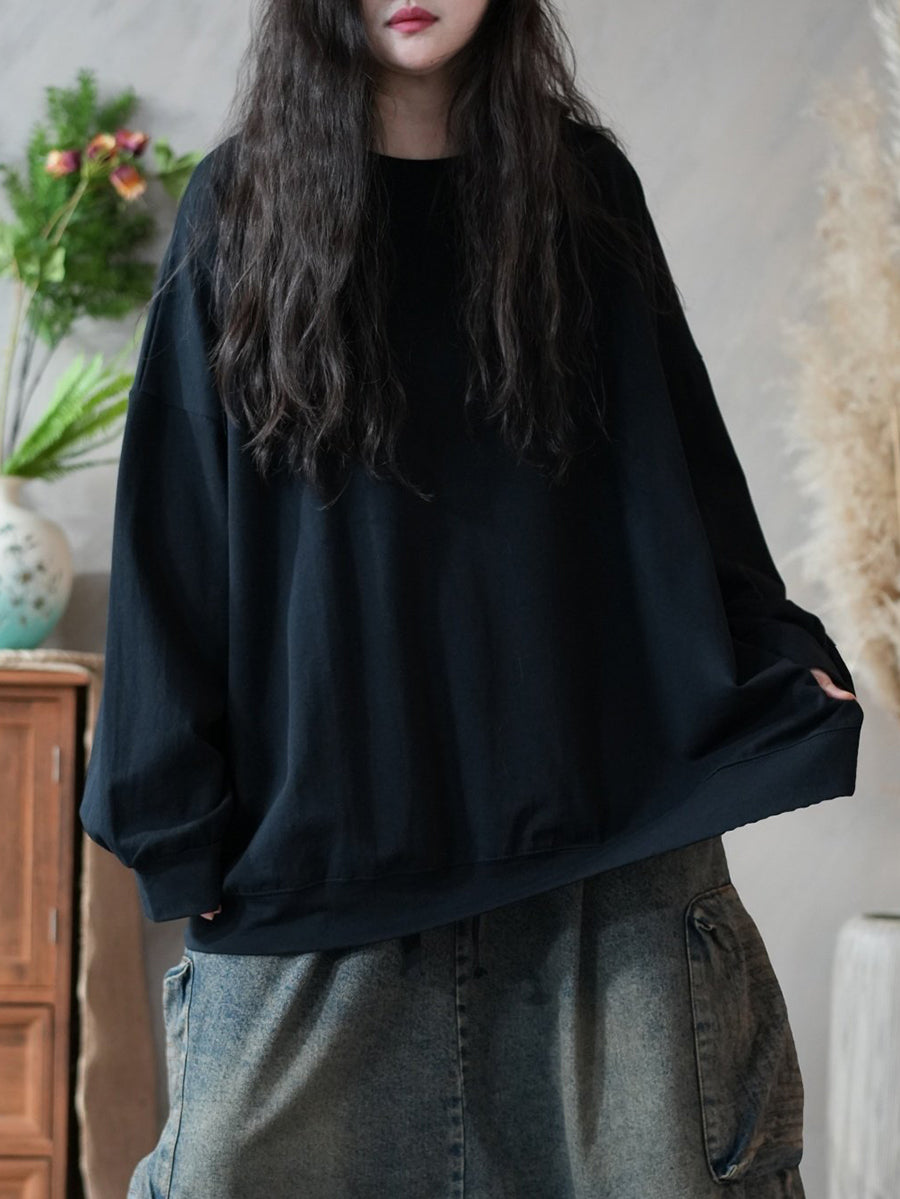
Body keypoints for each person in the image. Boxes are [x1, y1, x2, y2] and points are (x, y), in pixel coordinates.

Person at [78, 1, 864, 1196]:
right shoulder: (237, 204)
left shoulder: (582, 192)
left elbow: (682, 467)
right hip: (320, 866)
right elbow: (173, 542)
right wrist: (175, 819)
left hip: (600, 860)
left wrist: (774, 646)